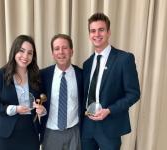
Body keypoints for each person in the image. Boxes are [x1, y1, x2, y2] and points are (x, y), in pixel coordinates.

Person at [81, 12, 141, 150]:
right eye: (93, 31)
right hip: (87, 127)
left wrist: (109, 110)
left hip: (110, 126)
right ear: (89, 34)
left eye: (101, 30)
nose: (97, 34)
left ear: (109, 32)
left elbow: (134, 93)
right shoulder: (87, 64)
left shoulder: (124, 59)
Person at [0, 35, 46, 150]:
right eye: (21, 51)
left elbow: (42, 100)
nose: (25, 56)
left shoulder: (37, 76)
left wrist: (42, 110)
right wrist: (14, 109)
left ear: (33, 56)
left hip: (31, 134)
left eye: (30, 53)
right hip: (6, 136)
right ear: (14, 51)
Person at [40, 34, 83, 150]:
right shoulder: (43, 75)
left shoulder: (82, 75)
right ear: (53, 53)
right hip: (51, 133)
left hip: (75, 132)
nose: (61, 52)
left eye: (65, 48)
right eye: (57, 48)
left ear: (71, 51)